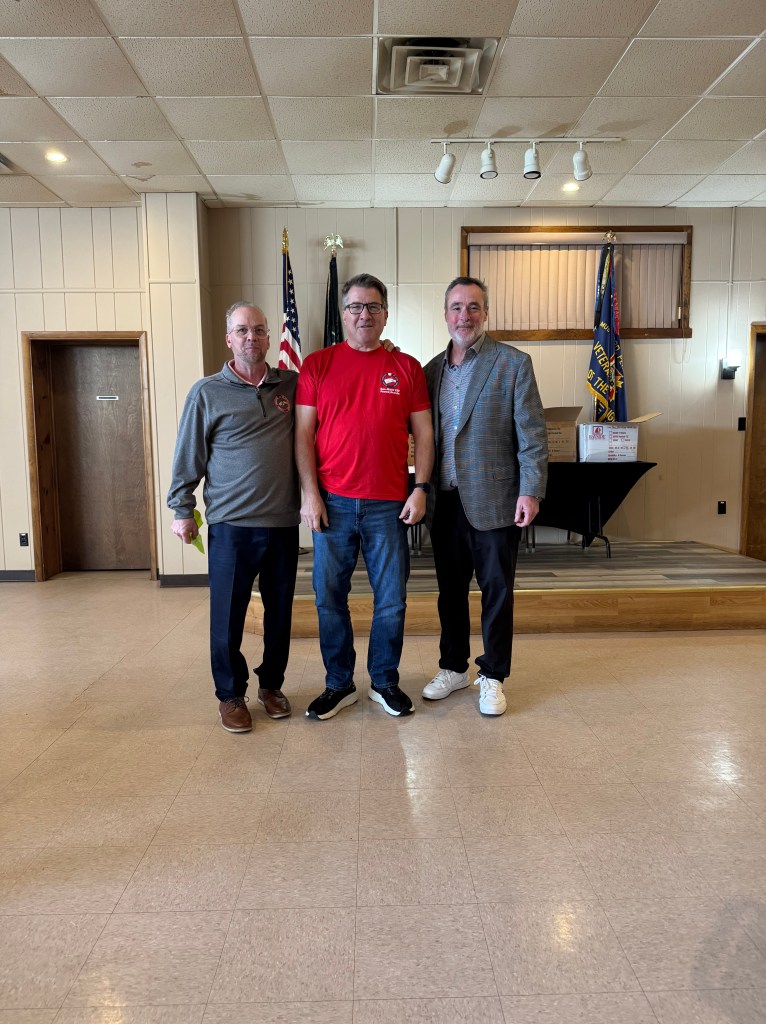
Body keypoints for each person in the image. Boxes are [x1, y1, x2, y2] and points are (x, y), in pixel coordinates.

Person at [295, 273, 434, 720]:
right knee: (328, 598)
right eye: (355, 306)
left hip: (389, 505)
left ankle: (384, 681)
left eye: (373, 306)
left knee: (391, 600)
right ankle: (339, 684)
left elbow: (424, 435)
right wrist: (310, 494)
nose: (364, 314)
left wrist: (420, 488)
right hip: (332, 502)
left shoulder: (406, 367)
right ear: (343, 313)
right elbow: (302, 435)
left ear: (385, 314)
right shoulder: (317, 365)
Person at [167, 302, 299, 733]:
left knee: (279, 616)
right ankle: (230, 694)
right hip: (231, 526)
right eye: (242, 330)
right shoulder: (206, 392)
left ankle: (271, 686)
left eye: (258, 330)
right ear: (229, 339)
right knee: (227, 618)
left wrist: (383, 348)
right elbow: (188, 454)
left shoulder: (291, 385)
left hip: (282, 524)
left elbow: (336, 385)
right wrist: (182, 508)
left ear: (269, 337)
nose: (251, 337)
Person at [422, 276, 548, 715]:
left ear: (486, 313)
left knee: (496, 591)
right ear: (445, 314)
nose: (465, 316)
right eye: (457, 307)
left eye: (473, 307)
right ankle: (454, 667)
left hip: (496, 500)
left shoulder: (513, 363)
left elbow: (532, 436)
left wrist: (531, 491)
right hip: (444, 501)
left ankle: (493, 675)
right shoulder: (431, 370)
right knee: (450, 592)